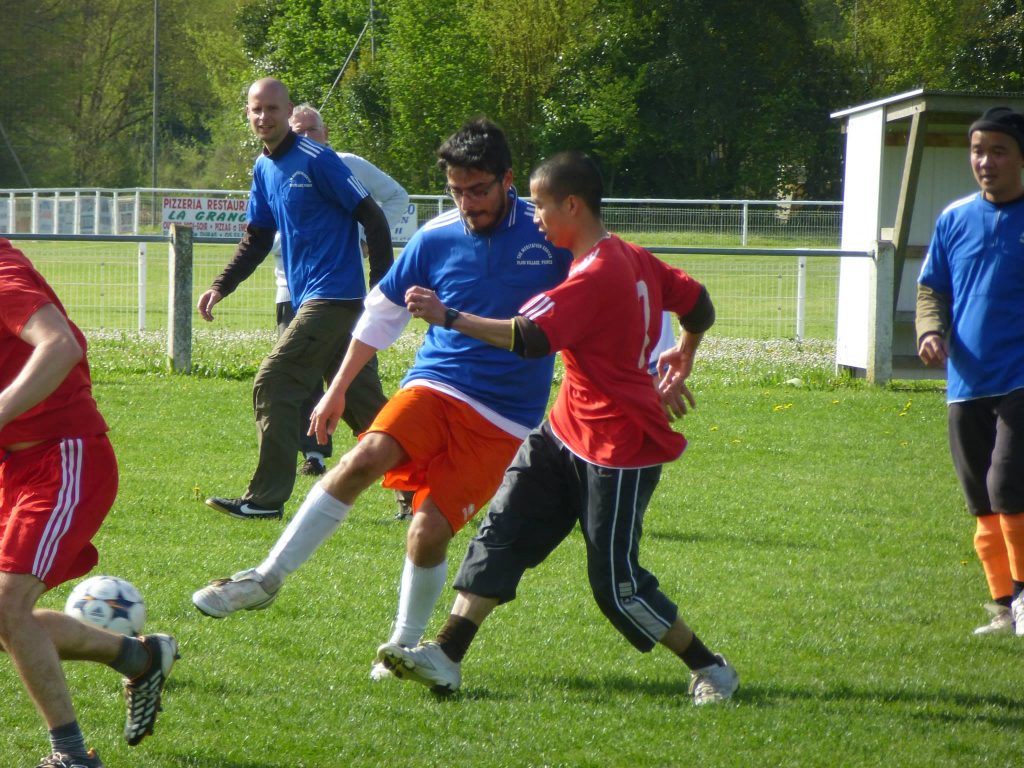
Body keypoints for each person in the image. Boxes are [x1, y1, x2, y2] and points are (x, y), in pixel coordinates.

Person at [191, 118, 573, 681]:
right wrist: (339, 390)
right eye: (457, 191)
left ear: (508, 180)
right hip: (436, 384)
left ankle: (403, 647)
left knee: (428, 530)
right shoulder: (437, 236)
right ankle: (264, 579)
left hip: (505, 418)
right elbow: (382, 312)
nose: (468, 203)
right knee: (362, 457)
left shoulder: (550, 238)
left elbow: (607, 292)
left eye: (479, 190)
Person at [377, 150, 739, 706]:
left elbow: (529, 337)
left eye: (542, 206)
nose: (535, 216)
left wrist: (447, 316)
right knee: (502, 530)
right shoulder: (632, 256)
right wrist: (684, 354)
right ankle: (446, 656)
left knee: (615, 587)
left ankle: (711, 668)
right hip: (564, 430)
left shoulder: (595, 274)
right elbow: (700, 304)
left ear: (572, 204)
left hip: (618, 448)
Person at [0, 239, 178, 768]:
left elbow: (60, 345)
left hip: (63, 460)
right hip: (18, 468)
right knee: (7, 616)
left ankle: (72, 756)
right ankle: (139, 657)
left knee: (7, 605)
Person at [197, 77, 392, 521]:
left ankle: (265, 500)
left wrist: (380, 288)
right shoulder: (264, 169)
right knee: (366, 407)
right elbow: (258, 237)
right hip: (312, 299)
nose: (263, 117)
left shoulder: (318, 159)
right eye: (256, 110)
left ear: (288, 113)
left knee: (274, 380)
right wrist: (221, 285)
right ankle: (425, 489)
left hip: (335, 298)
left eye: (272, 109)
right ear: (247, 114)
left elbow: (373, 217)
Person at [917, 106, 1024, 637]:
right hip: (966, 379)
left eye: (998, 150)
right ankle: (1003, 606)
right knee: (980, 498)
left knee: (1008, 482)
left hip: (1021, 377)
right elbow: (931, 286)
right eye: (979, 150)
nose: (986, 161)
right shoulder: (954, 218)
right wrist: (929, 330)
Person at [271, 104, 410, 499]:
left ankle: (409, 480)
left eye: (311, 130)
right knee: (295, 381)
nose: (305, 138)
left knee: (358, 390)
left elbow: (395, 200)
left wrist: (366, 244)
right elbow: (268, 231)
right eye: (297, 132)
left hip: (342, 297)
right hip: (292, 293)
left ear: (326, 131)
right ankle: (312, 454)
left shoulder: (345, 164)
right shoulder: (276, 167)